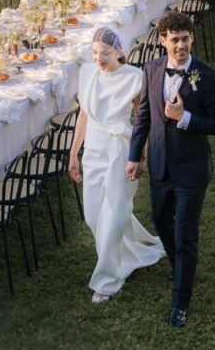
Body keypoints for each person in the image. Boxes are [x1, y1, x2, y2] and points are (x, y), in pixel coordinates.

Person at [127, 11, 215, 328]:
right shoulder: (152, 70)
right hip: (159, 165)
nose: (180, 46)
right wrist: (135, 156)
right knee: (160, 220)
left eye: (185, 39)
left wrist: (184, 118)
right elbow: (143, 117)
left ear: (192, 38)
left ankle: (180, 303)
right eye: (175, 40)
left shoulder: (208, 77)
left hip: (191, 170)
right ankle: (179, 264)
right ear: (163, 41)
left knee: (185, 233)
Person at [69, 26, 164, 302]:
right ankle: (127, 254)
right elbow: (84, 117)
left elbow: (142, 119)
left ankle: (107, 280)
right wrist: (73, 154)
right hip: (93, 152)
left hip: (119, 151)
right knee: (94, 216)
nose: (99, 58)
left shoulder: (134, 78)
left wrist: (141, 154)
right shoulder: (88, 73)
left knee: (113, 214)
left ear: (119, 51)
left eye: (105, 53)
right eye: (95, 53)